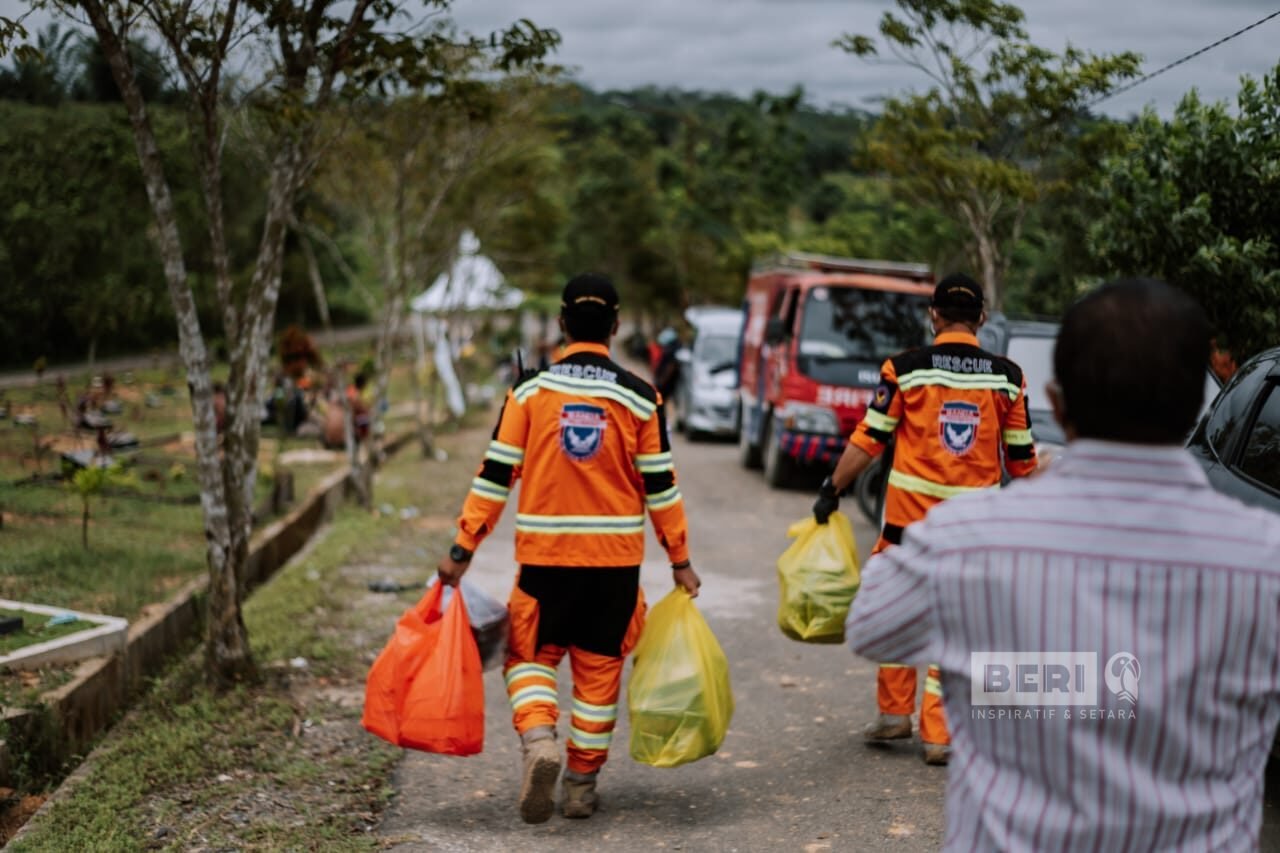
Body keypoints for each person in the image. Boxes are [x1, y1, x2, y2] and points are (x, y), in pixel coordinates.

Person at [846, 278, 1280, 850]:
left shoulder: (964, 543)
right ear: (1197, 408)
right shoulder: (1265, 560)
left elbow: (871, 625)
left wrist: (999, 680)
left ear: (1059, 397)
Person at [437, 273, 701, 824]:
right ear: (616, 325)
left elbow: (494, 476)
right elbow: (662, 487)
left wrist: (463, 549)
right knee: (599, 674)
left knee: (529, 657)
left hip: (545, 564)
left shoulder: (529, 392)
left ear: (561, 323)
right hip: (615, 570)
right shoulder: (642, 397)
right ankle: (581, 785)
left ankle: (539, 739)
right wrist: (680, 561)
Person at [812, 272, 1038, 765]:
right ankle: (940, 734)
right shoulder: (1008, 378)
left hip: (905, 534)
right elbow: (1022, 462)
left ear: (933, 314)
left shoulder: (905, 369)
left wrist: (833, 488)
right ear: (980, 318)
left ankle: (895, 714)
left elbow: (868, 441)